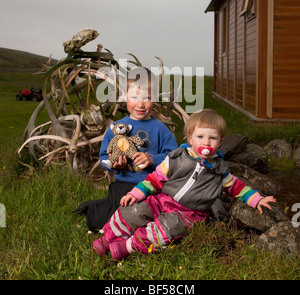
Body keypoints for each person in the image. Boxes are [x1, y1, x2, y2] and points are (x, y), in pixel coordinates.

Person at [93, 109, 277, 261]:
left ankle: (127, 246)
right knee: (132, 210)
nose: (206, 142)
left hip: (189, 213)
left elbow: (237, 188)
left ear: (220, 142)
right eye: (200, 136)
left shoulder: (219, 170)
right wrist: (136, 193)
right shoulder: (177, 158)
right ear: (190, 139)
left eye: (212, 138)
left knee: (166, 230)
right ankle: (108, 237)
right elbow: (154, 179)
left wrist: (257, 200)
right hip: (163, 199)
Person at [75, 67, 178, 232]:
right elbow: (104, 156)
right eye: (134, 97)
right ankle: (95, 208)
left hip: (152, 186)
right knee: (99, 222)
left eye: (147, 97)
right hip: (124, 184)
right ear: (124, 94)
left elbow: (175, 157)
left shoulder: (160, 129)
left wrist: (153, 160)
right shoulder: (116, 128)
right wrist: (115, 164)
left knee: (151, 220)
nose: (140, 104)